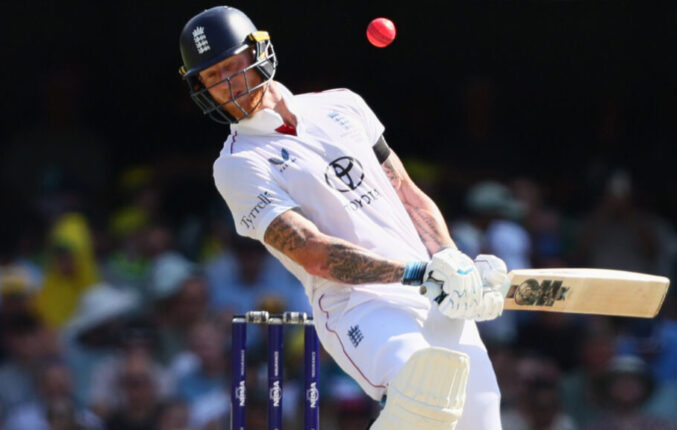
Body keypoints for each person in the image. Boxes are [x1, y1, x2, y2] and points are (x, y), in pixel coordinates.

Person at [178, 6, 510, 429]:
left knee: (482, 413)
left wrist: (451, 258)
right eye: (212, 77)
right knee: (424, 392)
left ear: (258, 51)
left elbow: (407, 192)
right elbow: (312, 253)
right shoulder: (237, 164)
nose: (227, 84)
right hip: (357, 305)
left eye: (231, 66)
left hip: (431, 290)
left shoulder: (343, 104)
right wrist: (420, 272)